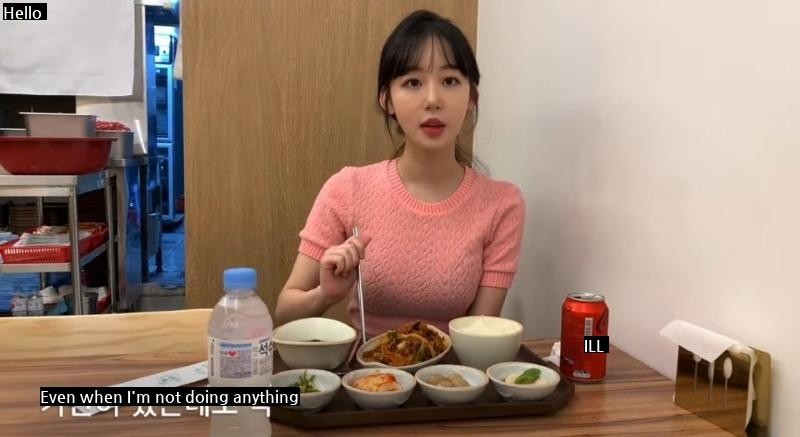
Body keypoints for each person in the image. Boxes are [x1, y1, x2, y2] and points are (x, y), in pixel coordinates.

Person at [275, 10, 525, 336]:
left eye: (450, 81)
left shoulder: (501, 204)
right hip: (364, 367)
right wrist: (325, 294)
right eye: (413, 83)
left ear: (471, 98)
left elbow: (480, 334)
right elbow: (285, 311)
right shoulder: (347, 188)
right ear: (387, 100)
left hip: (455, 368)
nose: (433, 100)